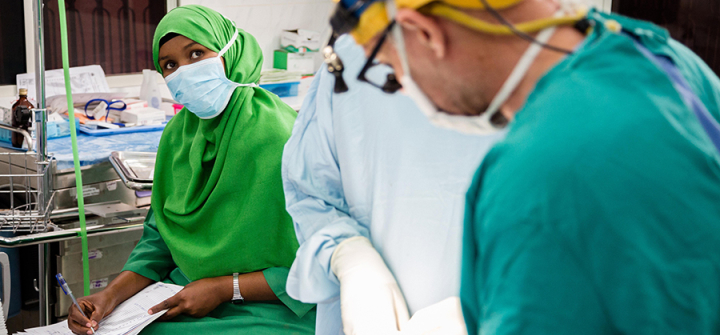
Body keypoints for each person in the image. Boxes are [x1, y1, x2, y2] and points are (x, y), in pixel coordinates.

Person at [327, 0, 720, 334]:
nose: (404, 89)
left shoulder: (540, 173)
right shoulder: (659, 56)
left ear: (424, 32)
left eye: (394, 75)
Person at [67, 5, 315, 335]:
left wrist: (225, 288)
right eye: (170, 65)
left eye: (196, 53)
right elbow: (158, 242)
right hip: (187, 294)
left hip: (273, 304)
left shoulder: (278, 135)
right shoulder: (178, 136)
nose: (184, 71)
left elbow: (316, 265)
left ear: (231, 52)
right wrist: (108, 297)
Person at [282, 35, 502, 335]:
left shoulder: (539, 60)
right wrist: (348, 253)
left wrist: (486, 304)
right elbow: (312, 192)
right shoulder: (354, 53)